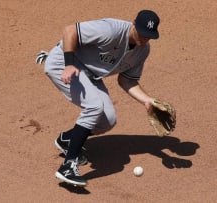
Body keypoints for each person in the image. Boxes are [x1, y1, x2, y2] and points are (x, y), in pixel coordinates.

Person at [36, 10, 161, 187]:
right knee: (94, 106)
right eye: (141, 32)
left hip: (89, 74)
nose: (144, 38)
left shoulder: (142, 51)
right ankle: (68, 166)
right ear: (133, 25)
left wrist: (147, 100)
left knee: (107, 120)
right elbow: (70, 30)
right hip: (63, 63)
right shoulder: (111, 30)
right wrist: (69, 64)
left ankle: (67, 139)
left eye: (148, 36)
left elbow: (127, 80)